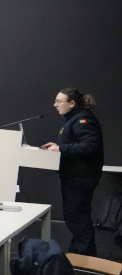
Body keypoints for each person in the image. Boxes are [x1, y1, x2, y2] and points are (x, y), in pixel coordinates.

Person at [41, 88, 104, 256]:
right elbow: (75, 143)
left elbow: (90, 146)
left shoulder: (83, 120)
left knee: (78, 218)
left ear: (72, 103)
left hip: (81, 176)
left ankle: (84, 257)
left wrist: (61, 148)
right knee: (74, 216)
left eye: (58, 101)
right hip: (74, 175)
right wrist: (56, 147)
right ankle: (80, 254)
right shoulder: (74, 119)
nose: (55, 105)